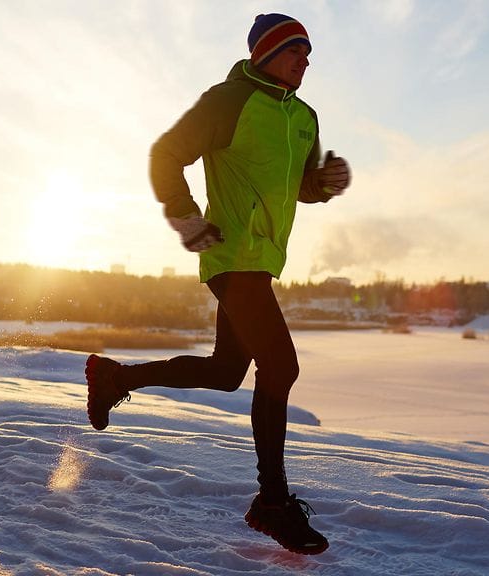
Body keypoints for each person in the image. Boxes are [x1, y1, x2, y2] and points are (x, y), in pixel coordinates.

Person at [85, 13, 351, 556]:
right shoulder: (228, 100)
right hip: (228, 253)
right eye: (295, 51)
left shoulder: (304, 116)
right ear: (265, 53)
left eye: (308, 55)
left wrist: (322, 184)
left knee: (229, 372)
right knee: (281, 367)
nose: (305, 62)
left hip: (262, 261)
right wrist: (187, 220)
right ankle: (271, 502)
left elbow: (297, 183)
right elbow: (166, 155)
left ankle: (114, 376)